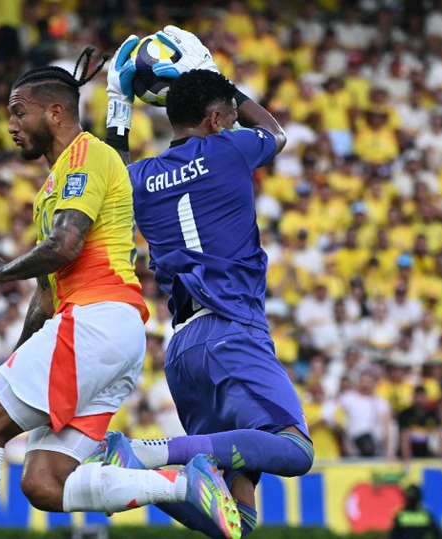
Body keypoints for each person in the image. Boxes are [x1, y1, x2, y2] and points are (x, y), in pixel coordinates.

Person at [0, 47, 240, 539]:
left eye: (19, 112)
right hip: (105, 336)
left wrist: (0, 272)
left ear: (55, 112)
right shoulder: (51, 188)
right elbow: (45, 298)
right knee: (44, 483)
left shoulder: (86, 155)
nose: (11, 125)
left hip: (95, 322)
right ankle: (184, 485)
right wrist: (19, 359)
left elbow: (65, 245)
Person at [99, 26, 314, 538]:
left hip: (184, 350)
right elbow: (277, 133)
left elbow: (111, 175)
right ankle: (149, 453)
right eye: (230, 115)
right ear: (216, 119)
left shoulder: (139, 177)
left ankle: (156, 478)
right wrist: (218, 78)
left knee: (236, 520)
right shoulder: (230, 150)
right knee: (295, 449)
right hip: (232, 328)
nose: (235, 121)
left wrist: (118, 106)